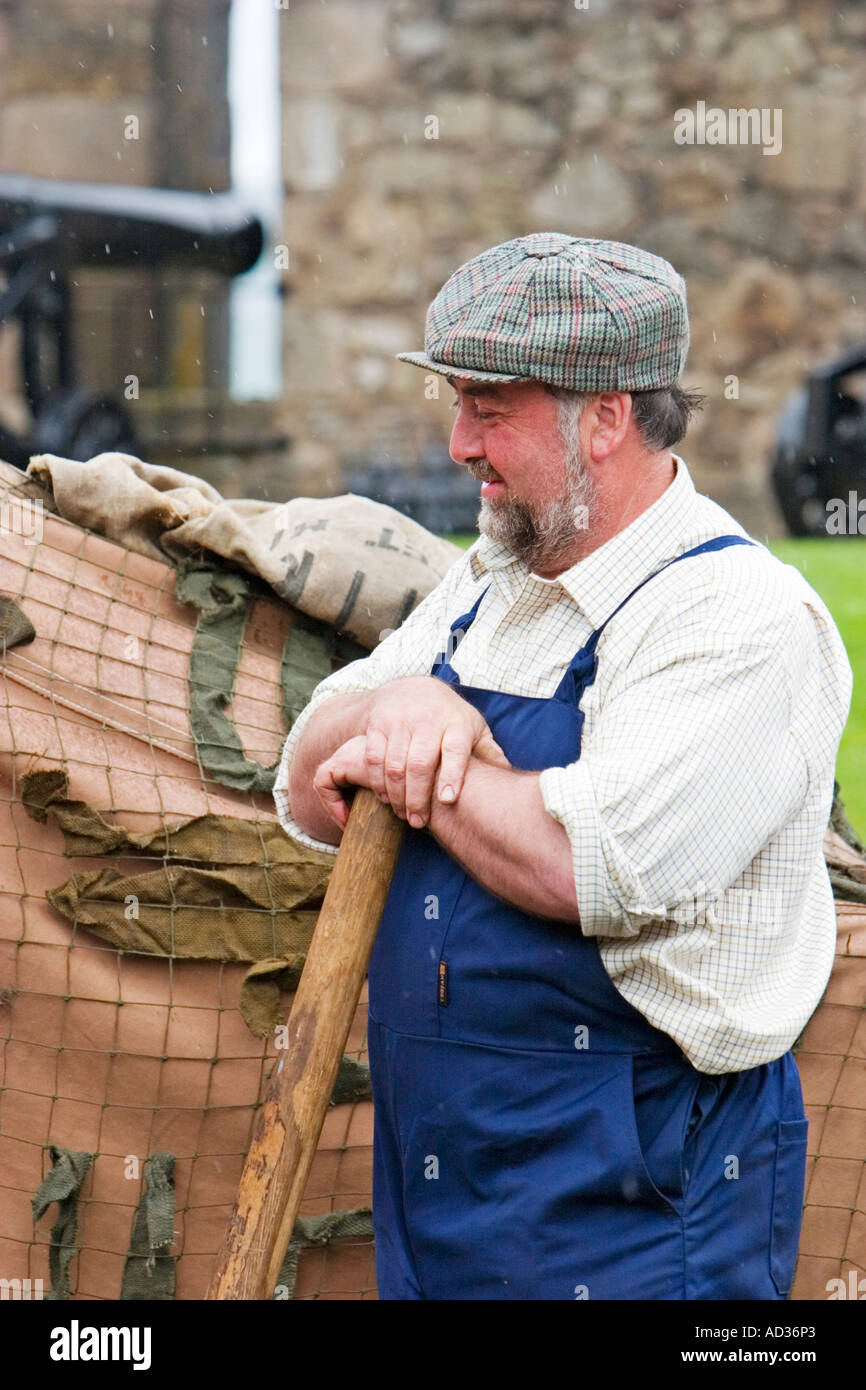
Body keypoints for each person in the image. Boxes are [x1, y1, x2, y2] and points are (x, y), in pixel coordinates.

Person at [274, 233, 853, 1301]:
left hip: (639, 1212)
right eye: (456, 404)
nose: (456, 443)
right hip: (446, 1195)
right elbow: (307, 776)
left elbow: (590, 862)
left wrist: (413, 761)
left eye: (489, 409)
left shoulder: (739, 619)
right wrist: (402, 704)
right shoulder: (494, 580)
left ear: (604, 415)